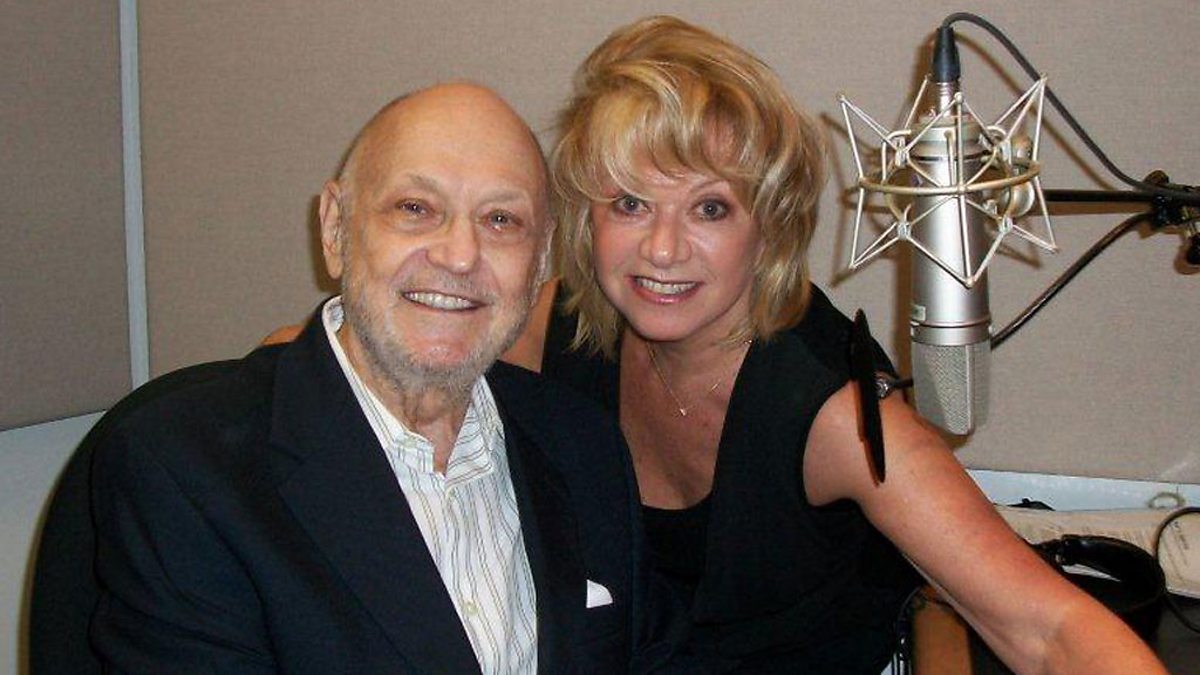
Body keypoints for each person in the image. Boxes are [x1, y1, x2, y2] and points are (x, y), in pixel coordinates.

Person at [502, 16, 1168, 675]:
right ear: (587, 217)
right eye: (630, 203)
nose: (663, 248)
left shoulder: (833, 412)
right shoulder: (558, 325)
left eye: (710, 208)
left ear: (770, 228)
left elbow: (1051, 631)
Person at [75, 83, 670, 674]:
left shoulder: (581, 442)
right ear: (335, 228)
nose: (460, 255)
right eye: (415, 209)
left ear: (540, 261)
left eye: (500, 219)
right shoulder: (186, 470)